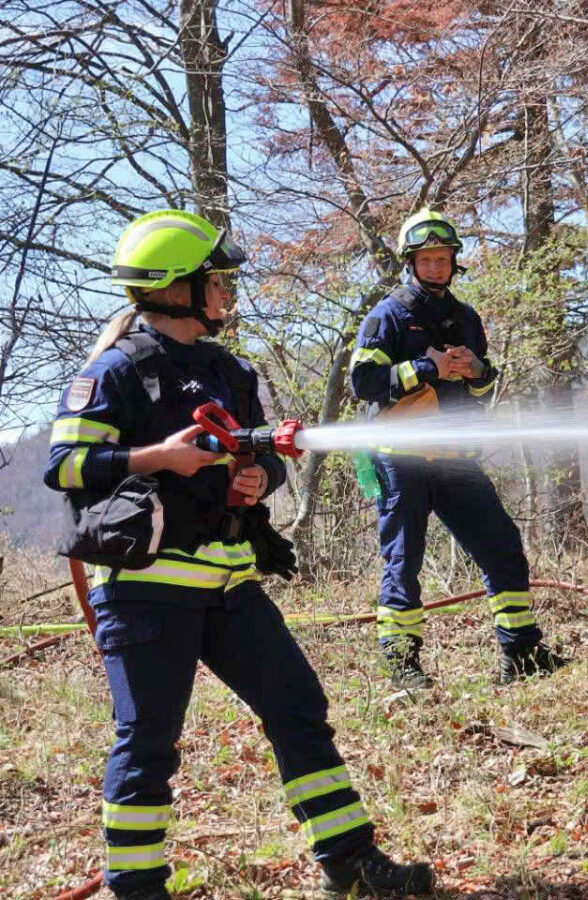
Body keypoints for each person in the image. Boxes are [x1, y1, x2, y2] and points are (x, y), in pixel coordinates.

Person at [45, 210, 434, 900]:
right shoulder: (117, 370)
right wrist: (155, 456)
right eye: (214, 279)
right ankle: (135, 888)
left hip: (229, 585)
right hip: (147, 590)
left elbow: (257, 453)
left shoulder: (229, 369)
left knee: (298, 707)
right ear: (173, 287)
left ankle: (350, 865)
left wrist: (260, 478)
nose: (227, 291)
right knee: (149, 742)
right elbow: (68, 465)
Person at [350, 208, 567, 689]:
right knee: (403, 560)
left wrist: (478, 374)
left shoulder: (466, 319)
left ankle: (522, 654)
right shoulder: (388, 315)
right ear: (410, 262)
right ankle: (402, 664)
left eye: (442, 259)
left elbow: (481, 398)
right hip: (400, 458)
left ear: (454, 263)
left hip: (454, 457)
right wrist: (425, 370)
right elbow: (362, 382)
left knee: (502, 545)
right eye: (425, 259)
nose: (434, 267)